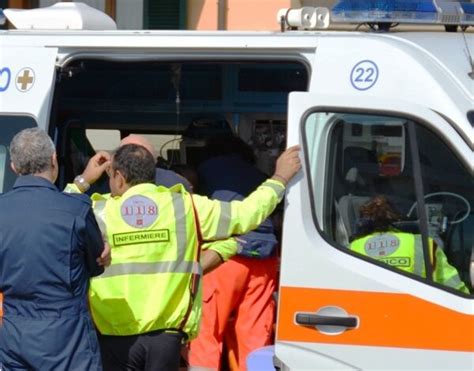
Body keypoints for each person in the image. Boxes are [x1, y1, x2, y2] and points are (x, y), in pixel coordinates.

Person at [65, 142, 301, 370]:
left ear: (118, 176)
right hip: (166, 338)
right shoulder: (186, 207)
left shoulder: (98, 211)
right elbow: (247, 213)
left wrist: (83, 181)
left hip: (113, 336)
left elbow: (54, 217)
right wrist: (279, 178)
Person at [0, 128, 110, 370]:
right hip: (68, 338)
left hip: (14, 334)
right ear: (53, 160)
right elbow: (97, 265)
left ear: (14, 168)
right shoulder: (77, 210)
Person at [188, 136, 280, 371]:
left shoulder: (204, 170)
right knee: (255, 333)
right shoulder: (259, 175)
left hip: (224, 256)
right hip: (264, 257)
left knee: (207, 331)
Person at [349, 195, 468, 293]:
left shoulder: (352, 248)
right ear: (399, 218)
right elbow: (455, 288)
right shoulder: (424, 244)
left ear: (362, 222)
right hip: (419, 314)